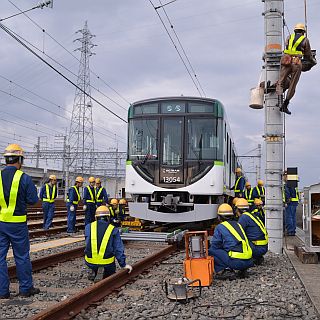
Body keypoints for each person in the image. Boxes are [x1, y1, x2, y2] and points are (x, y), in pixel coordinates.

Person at [0, 144, 40, 298]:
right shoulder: (24, 177)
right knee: (22, 256)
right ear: (20, 159)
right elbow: (32, 200)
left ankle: (2, 292)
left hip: (1, 223)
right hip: (17, 224)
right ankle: (25, 289)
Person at [85, 205, 132, 282]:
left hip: (90, 261)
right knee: (111, 271)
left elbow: (87, 244)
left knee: (93, 261)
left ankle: (93, 269)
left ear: (96, 217)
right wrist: (123, 264)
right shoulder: (113, 229)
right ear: (108, 217)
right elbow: (118, 249)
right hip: (107, 263)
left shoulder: (88, 227)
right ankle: (103, 270)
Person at [276, 23, 316, 115]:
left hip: (286, 61)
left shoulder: (289, 37)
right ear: (303, 32)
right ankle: (285, 105)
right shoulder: (305, 40)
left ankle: (279, 101)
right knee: (292, 85)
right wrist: (312, 61)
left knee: (280, 82)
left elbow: (287, 46)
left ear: (295, 30)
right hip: (296, 63)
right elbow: (308, 55)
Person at [209, 203, 253, 280]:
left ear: (219, 217)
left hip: (237, 263)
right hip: (249, 261)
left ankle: (226, 271)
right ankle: (242, 271)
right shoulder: (238, 224)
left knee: (211, 250)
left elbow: (215, 245)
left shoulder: (220, 227)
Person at [237, 198, 268, 265]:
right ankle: (257, 257)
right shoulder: (251, 215)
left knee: (235, 243)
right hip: (263, 247)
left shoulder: (243, 217)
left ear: (238, 209)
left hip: (257, 248)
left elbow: (238, 233)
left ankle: (246, 262)